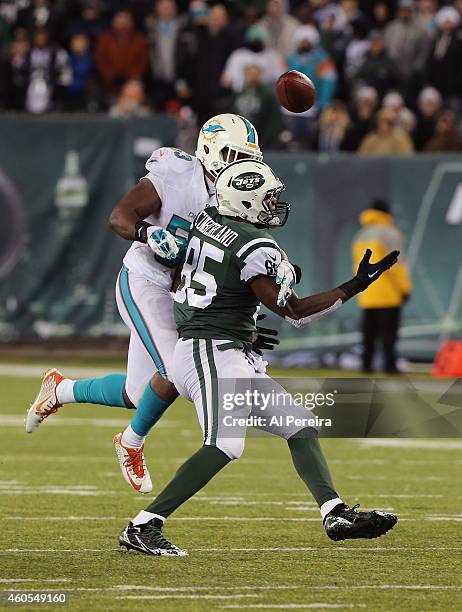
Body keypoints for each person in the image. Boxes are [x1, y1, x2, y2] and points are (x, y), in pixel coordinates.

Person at [118, 158, 399, 556]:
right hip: (213, 353)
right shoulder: (256, 244)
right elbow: (295, 312)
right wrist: (353, 285)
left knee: (299, 425)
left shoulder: (207, 219)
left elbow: (212, 274)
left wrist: (243, 311)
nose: (273, 205)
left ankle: (333, 511)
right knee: (225, 444)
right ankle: (144, 524)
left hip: (216, 345)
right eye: (267, 199)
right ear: (245, 201)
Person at [26, 114, 295, 495]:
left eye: (246, 156)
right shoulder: (176, 173)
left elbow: (252, 247)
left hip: (186, 294)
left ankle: (61, 389)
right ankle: (130, 442)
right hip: (145, 282)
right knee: (176, 371)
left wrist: (283, 268)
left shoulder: (239, 192)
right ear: (208, 150)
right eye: (232, 154)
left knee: (137, 393)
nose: (239, 164)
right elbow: (120, 216)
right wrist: (147, 233)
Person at [352, 199, 412, 374]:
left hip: (366, 292)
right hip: (388, 293)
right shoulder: (390, 233)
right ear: (387, 213)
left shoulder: (361, 234)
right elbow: (396, 266)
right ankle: (389, 365)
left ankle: (366, 365)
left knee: (368, 334)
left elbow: (357, 265)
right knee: (389, 335)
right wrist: (405, 289)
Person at [94, 10, 149, 98]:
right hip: (108, 85)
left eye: (125, 18)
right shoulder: (105, 39)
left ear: (131, 21)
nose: (122, 22)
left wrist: (130, 77)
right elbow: (100, 60)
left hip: (132, 85)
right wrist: (111, 76)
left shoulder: (140, 39)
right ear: (114, 21)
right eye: (119, 18)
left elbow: (143, 62)